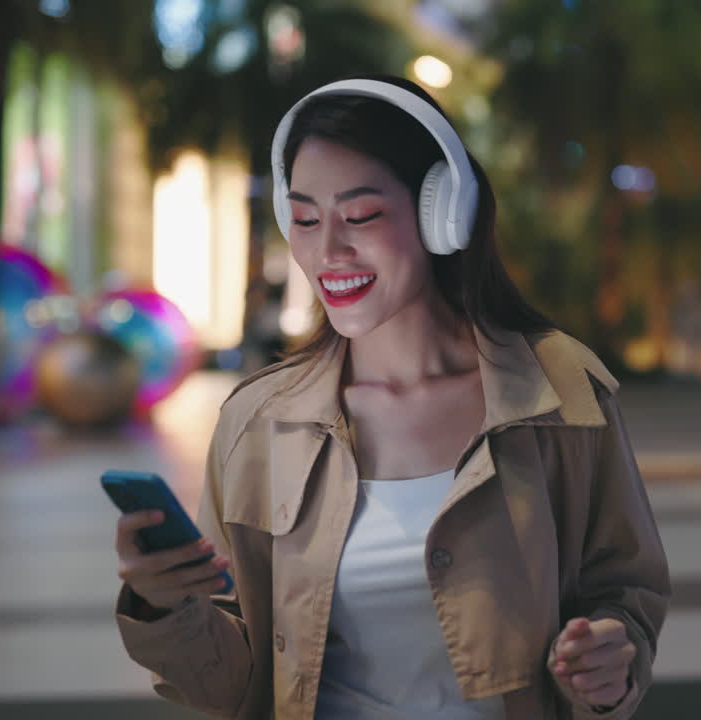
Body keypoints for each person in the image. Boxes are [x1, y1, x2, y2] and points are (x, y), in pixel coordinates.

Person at [113, 74, 670, 720]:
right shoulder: (259, 423)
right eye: (304, 219)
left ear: (442, 211)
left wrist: (612, 653)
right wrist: (166, 608)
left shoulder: (559, 392)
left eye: (360, 216)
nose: (328, 251)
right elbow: (232, 689)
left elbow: (627, 591)